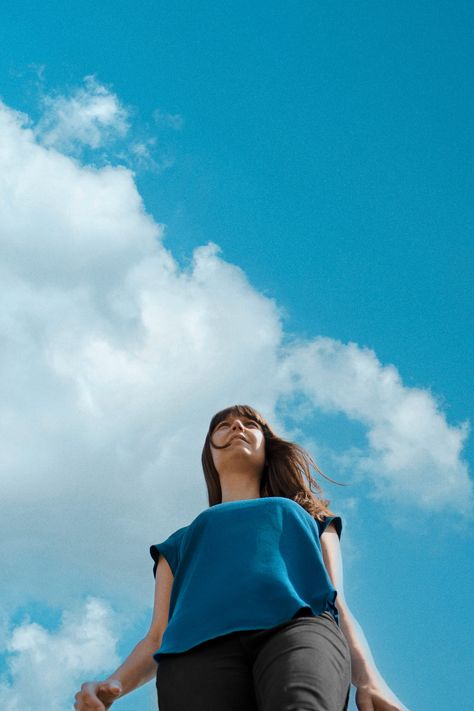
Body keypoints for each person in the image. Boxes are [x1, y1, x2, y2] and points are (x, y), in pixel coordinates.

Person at [74, 404, 409, 711]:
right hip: (195, 652)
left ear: (266, 445)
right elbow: (157, 636)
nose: (236, 426)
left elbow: (339, 605)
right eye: (223, 425)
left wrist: (370, 682)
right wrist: (113, 682)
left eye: (250, 424)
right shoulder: (178, 544)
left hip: (297, 631)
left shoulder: (312, 518)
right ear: (209, 453)